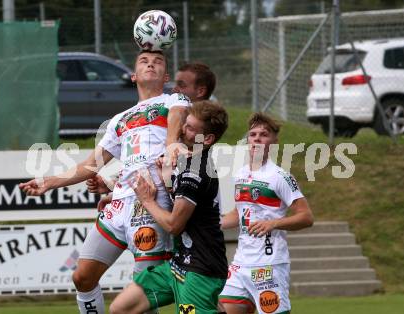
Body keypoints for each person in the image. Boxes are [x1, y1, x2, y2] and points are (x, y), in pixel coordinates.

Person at [19, 50, 190, 314]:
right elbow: (90, 165)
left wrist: (170, 145)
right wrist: (50, 182)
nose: (151, 64)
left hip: (151, 202)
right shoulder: (119, 120)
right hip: (118, 205)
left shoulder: (174, 99)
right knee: (82, 277)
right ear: (133, 76)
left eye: (158, 62)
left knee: (142, 293)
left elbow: (177, 119)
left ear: (166, 75)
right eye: (144, 61)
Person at [109, 100, 229, 314]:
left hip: (199, 270)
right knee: (121, 308)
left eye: (192, 128)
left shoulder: (196, 170)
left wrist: (147, 201)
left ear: (207, 139)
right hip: (177, 265)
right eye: (186, 124)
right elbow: (181, 197)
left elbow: (174, 225)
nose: (183, 130)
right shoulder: (185, 162)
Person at [218, 113, 314, 314]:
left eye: (264, 134)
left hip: (268, 265)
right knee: (220, 309)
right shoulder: (241, 174)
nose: (257, 138)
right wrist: (212, 224)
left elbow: (306, 217)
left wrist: (272, 223)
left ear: (274, 141)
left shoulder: (280, 177)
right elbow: (239, 214)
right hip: (241, 263)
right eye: (253, 134)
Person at [88, 61, 217, 205]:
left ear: (200, 91)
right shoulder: (180, 126)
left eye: (181, 85)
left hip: (186, 223)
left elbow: (173, 218)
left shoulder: (194, 137)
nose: (174, 89)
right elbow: (151, 169)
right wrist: (114, 188)